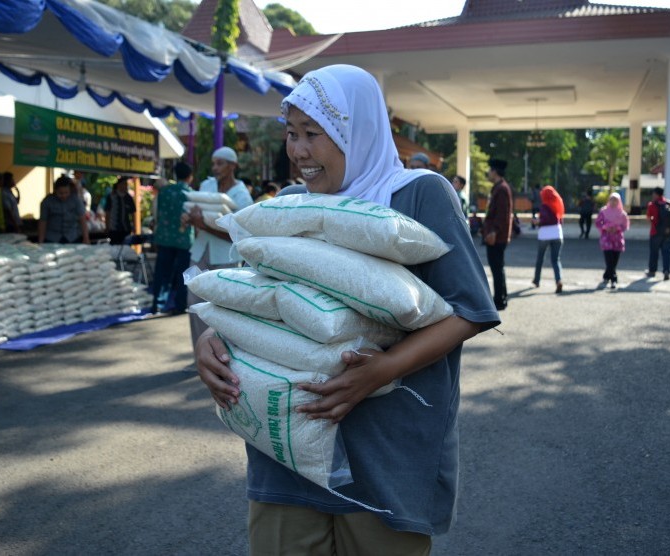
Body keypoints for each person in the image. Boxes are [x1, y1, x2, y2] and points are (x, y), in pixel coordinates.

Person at [194, 64, 499, 555]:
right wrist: (212, 341)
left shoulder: (418, 196)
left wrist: (381, 370)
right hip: (285, 447)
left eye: (313, 133)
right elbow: (253, 295)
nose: (298, 151)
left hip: (384, 453)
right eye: (292, 134)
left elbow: (469, 309)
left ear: (354, 130)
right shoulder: (288, 205)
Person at [185, 146, 254, 349]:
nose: (215, 167)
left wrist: (203, 225)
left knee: (222, 307)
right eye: (213, 163)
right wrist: (189, 218)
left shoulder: (242, 196)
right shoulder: (207, 186)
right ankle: (201, 350)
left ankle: (224, 351)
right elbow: (195, 211)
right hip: (200, 251)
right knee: (194, 302)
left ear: (232, 166)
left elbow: (240, 237)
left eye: (220, 163)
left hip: (225, 257)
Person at [151, 161, 194, 315]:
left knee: (162, 273)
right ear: (190, 177)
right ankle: (180, 305)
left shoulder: (164, 191)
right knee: (183, 275)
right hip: (184, 240)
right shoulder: (191, 194)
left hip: (164, 238)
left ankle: (157, 304)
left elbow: (155, 214)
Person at [482, 158, 513, 311]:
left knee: (497, 268)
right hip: (496, 235)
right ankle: (502, 298)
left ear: (495, 171)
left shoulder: (501, 188)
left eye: (490, 170)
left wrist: (493, 231)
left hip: (496, 236)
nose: (488, 172)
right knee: (498, 268)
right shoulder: (499, 187)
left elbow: (503, 214)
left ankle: (499, 300)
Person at [531, 185, 565, 293]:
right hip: (557, 234)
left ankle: (536, 280)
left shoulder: (544, 206)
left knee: (540, 258)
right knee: (556, 260)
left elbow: (544, 220)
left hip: (545, 235)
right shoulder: (558, 205)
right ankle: (558, 280)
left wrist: (536, 222)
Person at [38, 175, 90, 244]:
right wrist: (41, 241)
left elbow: (82, 219)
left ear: (70, 190)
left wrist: (86, 238)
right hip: (52, 238)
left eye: (66, 192)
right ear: (55, 190)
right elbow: (43, 221)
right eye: (60, 193)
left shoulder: (76, 200)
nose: (64, 195)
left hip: (72, 237)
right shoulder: (47, 201)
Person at [594, 192, 629, 289]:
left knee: (614, 260)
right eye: (612, 200)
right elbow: (598, 223)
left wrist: (617, 228)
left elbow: (625, 226)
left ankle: (606, 275)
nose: (613, 202)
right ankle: (614, 279)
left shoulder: (622, 214)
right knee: (609, 258)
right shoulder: (604, 211)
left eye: (615, 200)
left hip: (617, 239)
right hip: (606, 238)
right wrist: (605, 227)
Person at [645, 186, 670, 280]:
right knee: (667, 253)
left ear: (656, 194)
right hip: (668, 233)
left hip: (655, 232)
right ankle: (666, 270)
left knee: (654, 253)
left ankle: (652, 271)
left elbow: (648, 218)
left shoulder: (652, 205)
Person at [104, 176, 136, 245]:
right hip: (114, 229)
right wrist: (107, 226)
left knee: (126, 248)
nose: (126, 186)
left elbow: (133, 213)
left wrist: (134, 226)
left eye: (126, 184)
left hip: (126, 228)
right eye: (124, 184)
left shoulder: (128, 198)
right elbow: (107, 213)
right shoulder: (111, 196)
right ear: (119, 185)